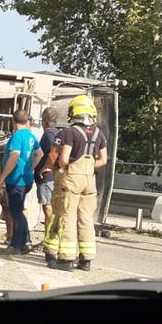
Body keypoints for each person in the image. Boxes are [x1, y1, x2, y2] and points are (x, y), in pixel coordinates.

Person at [45, 95, 108, 271]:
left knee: (67, 217)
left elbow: (64, 159)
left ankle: (66, 260)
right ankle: (86, 260)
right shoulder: (99, 133)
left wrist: (59, 167)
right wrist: (87, 167)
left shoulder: (68, 132)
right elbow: (103, 160)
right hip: (90, 180)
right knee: (86, 219)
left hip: (71, 180)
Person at [0, 109, 42, 254]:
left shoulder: (17, 136)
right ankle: (24, 242)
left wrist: (2, 177)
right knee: (19, 210)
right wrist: (31, 167)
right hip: (27, 179)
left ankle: (19, 244)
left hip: (16, 179)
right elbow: (39, 154)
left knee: (16, 212)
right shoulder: (31, 136)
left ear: (13, 121)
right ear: (27, 121)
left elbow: (14, 157)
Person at [35, 108, 62, 262]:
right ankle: (50, 239)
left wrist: (42, 167)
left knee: (47, 209)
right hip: (55, 176)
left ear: (43, 121)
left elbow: (50, 153)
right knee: (51, 208)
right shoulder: (59, 133)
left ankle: (49, 240)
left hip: (47, 177)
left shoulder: (48, 135)